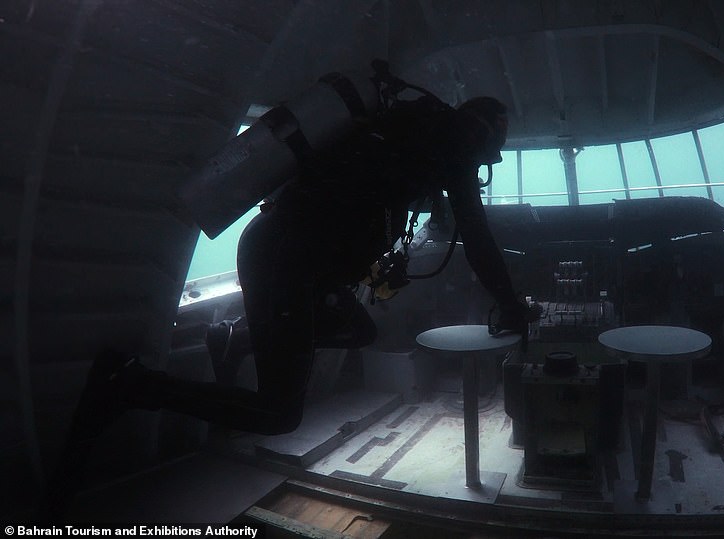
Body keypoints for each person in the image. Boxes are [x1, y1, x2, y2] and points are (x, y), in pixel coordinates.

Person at [67, 90, 534, 443]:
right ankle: (130, 385)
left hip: (287, 257)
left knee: (360, 333)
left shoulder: (411, 133)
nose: (481, 160)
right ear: (483, 131)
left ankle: (238, 339)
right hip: (286, 264)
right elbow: (476, 236)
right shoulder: (452, 143)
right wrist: (510, 304)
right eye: (490, 146)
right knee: (278, 414)